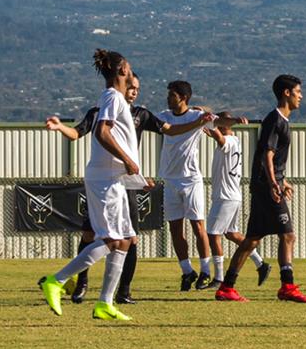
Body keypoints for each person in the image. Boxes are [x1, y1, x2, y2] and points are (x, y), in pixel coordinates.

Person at [45, 71, 211, 302]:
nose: (133, 91)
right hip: (106, 182)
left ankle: (119, 293)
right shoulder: (102, 110)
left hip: (127, 185)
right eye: (131, 86)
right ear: (121, 83)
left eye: (137, 89)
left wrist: (139, 178)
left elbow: (171, 129)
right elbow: (78, 133)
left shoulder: (141, 115)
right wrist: (61, 127)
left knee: (129, 239)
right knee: (95, 235)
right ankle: (77, 282)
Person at [38, 49, 145, 322]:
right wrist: (127, 159)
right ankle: (56, 280)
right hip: (104, 179)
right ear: (122, 71)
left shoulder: (117, 99)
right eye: (129, 67)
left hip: (115, 179)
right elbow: (102, 131)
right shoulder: (111, 97)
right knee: (110, 240)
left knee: (124, 241)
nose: (131, 72)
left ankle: (105, 303)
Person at [216, 74, 306, 304]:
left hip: (268, 185)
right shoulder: (274, 119)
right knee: (288, 235)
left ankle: (226, 287)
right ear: (286, 93)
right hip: (266, 187)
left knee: (251, 240)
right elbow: (267, 155)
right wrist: (273, 184)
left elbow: (275, 159)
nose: (301, 96)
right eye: (298, 92)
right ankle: (287, 286)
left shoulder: (283, 121)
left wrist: (283, 180)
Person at [158, 80, 218, 291]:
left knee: (197, 226)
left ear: (183, 98)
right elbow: (171, 130)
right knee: (175, 228)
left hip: (191, 179)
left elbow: (218, 118)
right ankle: (186, 271)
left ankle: (205, 271)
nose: (168, 98)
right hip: (170, 178)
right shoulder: (164, 116)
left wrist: (205, 111)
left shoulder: (195, 115)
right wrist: (199, 121)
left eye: (172, 94)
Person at [204, 112, 269, 288]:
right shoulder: (235, 140)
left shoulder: (229, 141)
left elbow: (218, 136)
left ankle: (218, 278)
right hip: (231, 195)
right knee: (231, 233)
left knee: (213, 234)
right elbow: (214, 134)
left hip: (225, 197)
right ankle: (261, 264)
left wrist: (210, 121)